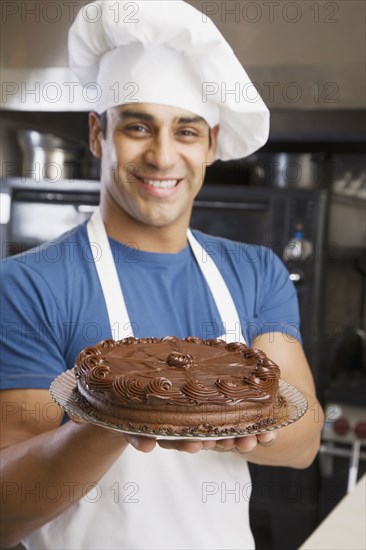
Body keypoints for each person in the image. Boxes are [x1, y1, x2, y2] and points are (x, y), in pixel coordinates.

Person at [0, 2, 324, 549]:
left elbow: (305, 436)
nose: (162, 155)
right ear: (98, 134)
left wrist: (209, 415)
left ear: (211, 146)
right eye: (137, 126)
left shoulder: (254, 271)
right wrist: (123, 413)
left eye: (187, 132)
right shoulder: (30, 283)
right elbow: (7, 509)